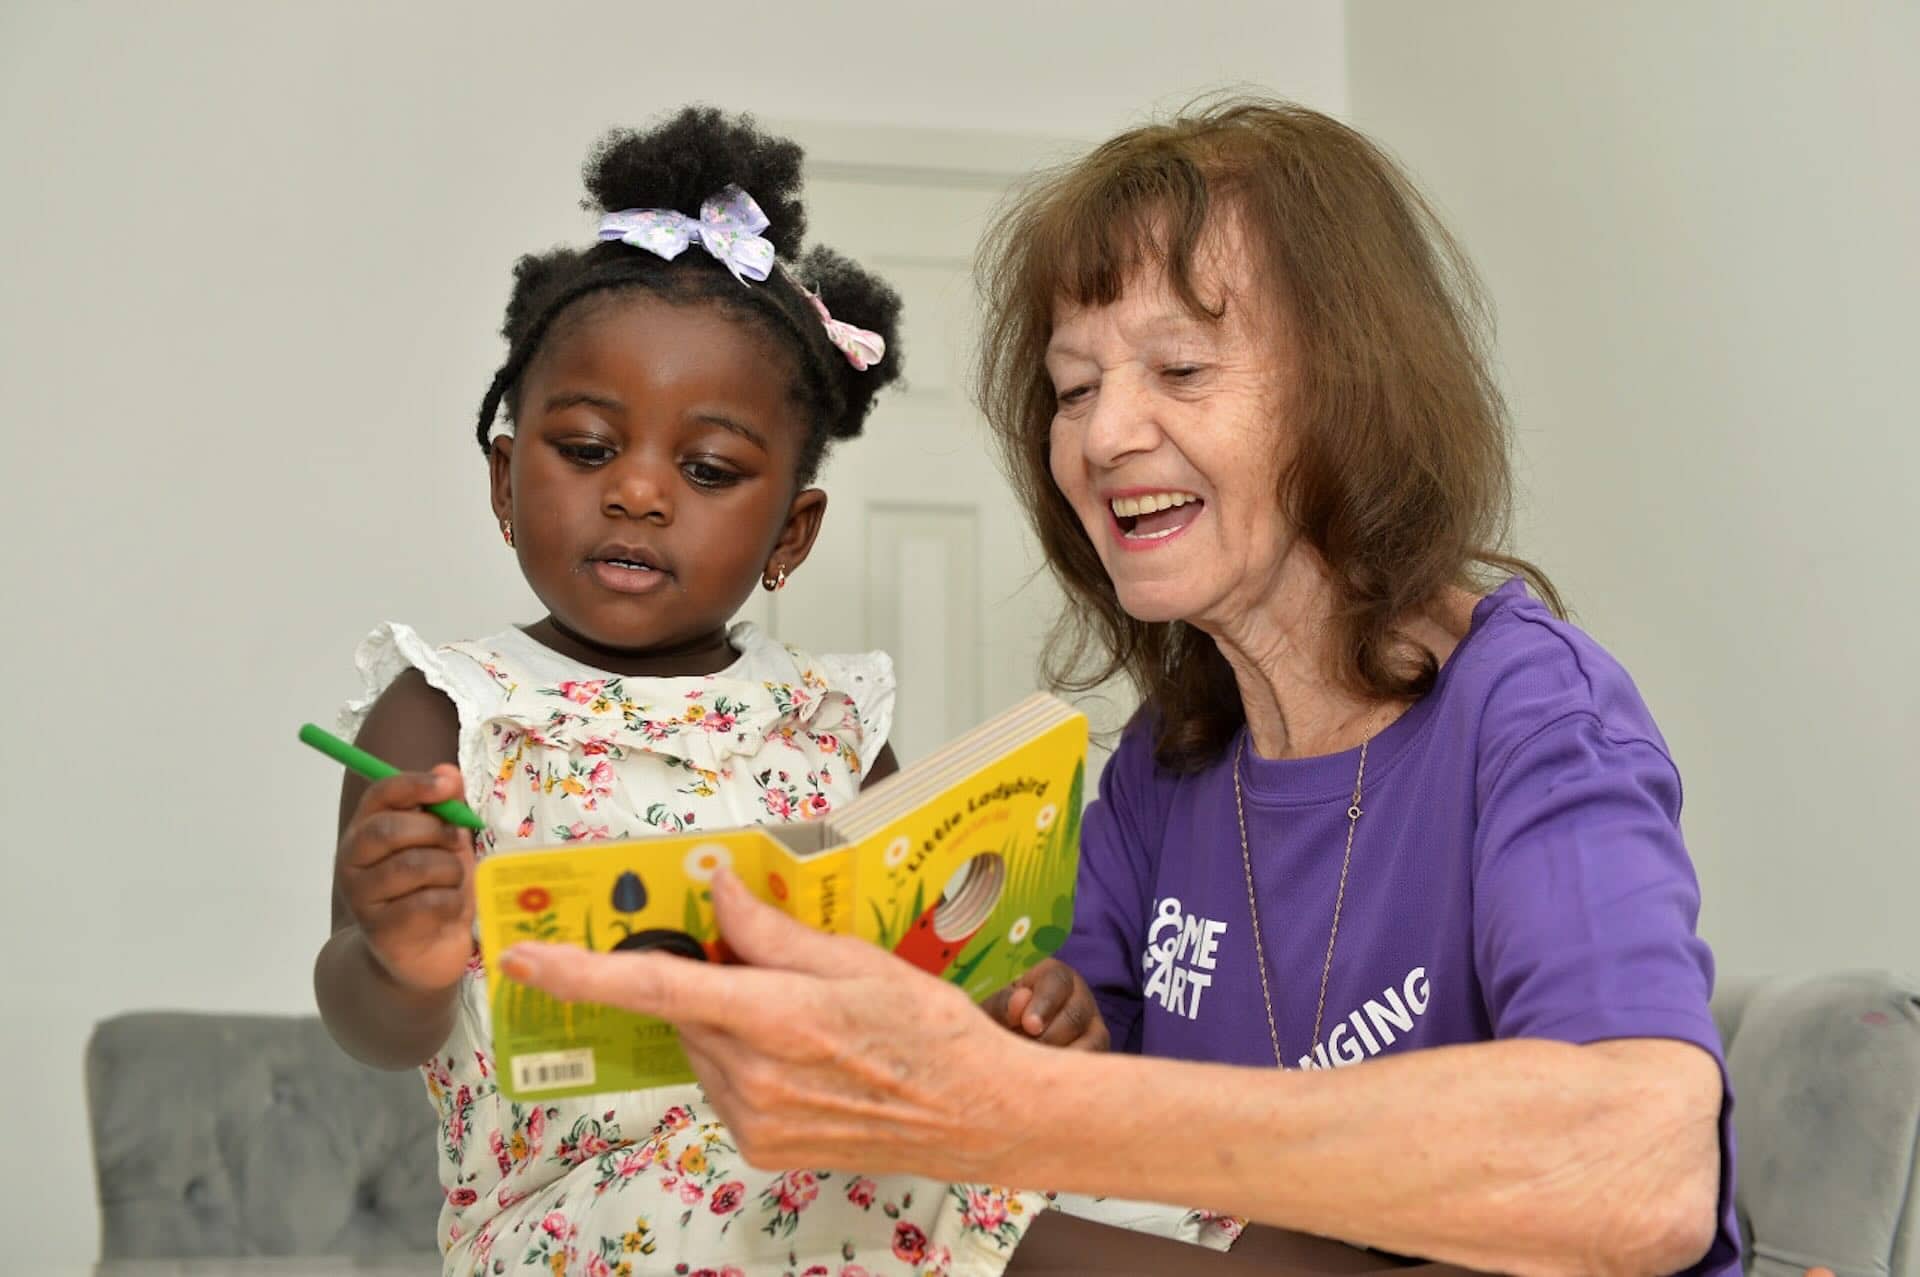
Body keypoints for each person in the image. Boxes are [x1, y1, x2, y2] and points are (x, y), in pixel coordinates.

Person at [500, 98, 1750, 1274]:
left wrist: (1031, 1109)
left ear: (1353, 391)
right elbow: (1057, 1097)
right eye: (1076, 386)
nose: (1102, 436)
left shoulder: (1528, 709)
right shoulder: (1168, 764)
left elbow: (1645, 1164)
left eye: (1182, 370)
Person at [313, 107, 1054, 1276]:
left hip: (831, 1152)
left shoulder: (831, 716)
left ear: (790, 532)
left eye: (707, 470)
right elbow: (369, 1020)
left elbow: (914, 962)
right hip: (584, 1217)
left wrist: (1003, 993)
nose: (642, 494)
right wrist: (400, 958)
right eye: (588, 448)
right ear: (505, 479)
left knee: (1107, 1152)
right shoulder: (452, 706)